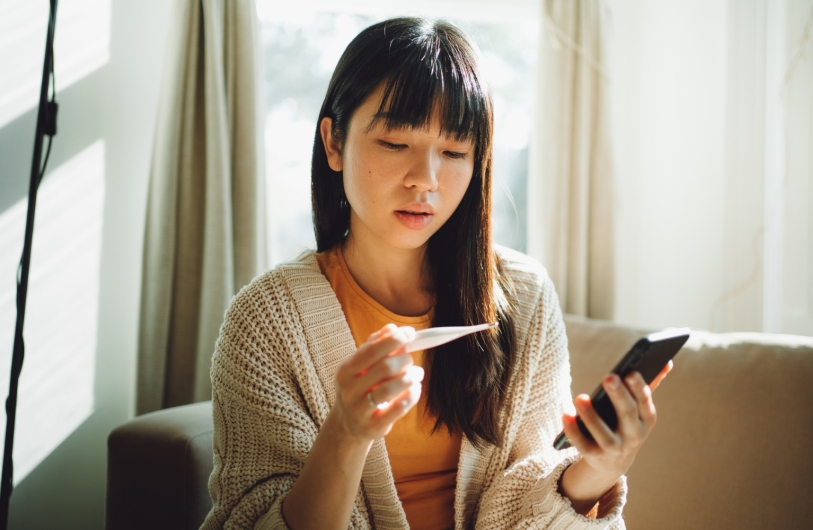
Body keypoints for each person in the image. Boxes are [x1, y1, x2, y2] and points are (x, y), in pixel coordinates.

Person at [200, 17, 671, 530]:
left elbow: (533, 499)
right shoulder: (265, 320)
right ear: (333, 143)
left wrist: (598, 469)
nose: (425, 179)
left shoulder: (524, 296)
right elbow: (250, 521)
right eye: (395, 143)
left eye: (453, 152)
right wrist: (346, 432)